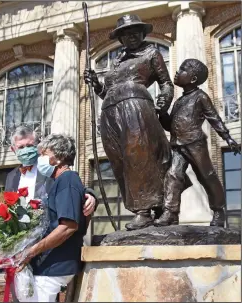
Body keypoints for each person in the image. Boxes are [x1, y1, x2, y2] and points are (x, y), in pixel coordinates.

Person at [84, 14, 174, 230]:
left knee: (138, 156)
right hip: (110, 112)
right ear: (120, 38)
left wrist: (163, 104)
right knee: (118, 159)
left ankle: (146, 210)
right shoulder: (117, 61)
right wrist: (96, 84)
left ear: (142, 33)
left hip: (136, 106)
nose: (131, 36)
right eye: (125, 33)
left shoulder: (152, 53)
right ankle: (140, 208)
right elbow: (107, 93)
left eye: (135, 31)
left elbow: (166, 84)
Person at [155, 59, 240, 227]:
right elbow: (169, 126)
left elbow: (214, 118)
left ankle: (218, 211)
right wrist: (162, 113)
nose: (177, 72)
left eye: (182, 69)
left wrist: (227, 137)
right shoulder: (178, 101)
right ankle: (171, 213)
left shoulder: (200, 97)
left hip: (195, 144)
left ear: (193, 79)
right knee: (173, 175)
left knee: (206, 176)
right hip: (178, 145)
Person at [16, 134, 89, 302]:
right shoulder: (60, 181)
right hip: (50, 265)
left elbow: (68, 226)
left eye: (44, 154)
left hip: (56, 266)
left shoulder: (68, 180)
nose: (39, 159)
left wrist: (31, 251)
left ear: (59, 157)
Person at [5, 125, 97, 217]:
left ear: (37, 146)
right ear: (13, 150)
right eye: (21, 147)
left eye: (29, 146)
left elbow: (72, 184)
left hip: (50, 227)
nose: (26, 150)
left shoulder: (49, 167)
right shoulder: (11, 176)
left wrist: (90, 195)